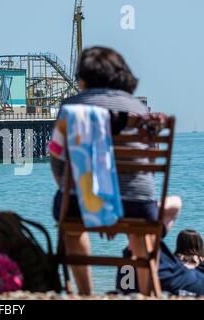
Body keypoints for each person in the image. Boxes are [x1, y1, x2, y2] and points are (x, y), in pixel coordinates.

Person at [50, 46, 182, 295]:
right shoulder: (139, 110)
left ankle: (86, 293)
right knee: (144, 231)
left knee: (70, 221)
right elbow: (147, 170)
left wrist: (91, 202)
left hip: (81, 202)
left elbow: (57, 160)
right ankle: (148, 291)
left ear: (84, 78)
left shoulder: (71, 108)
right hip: (139, 206)